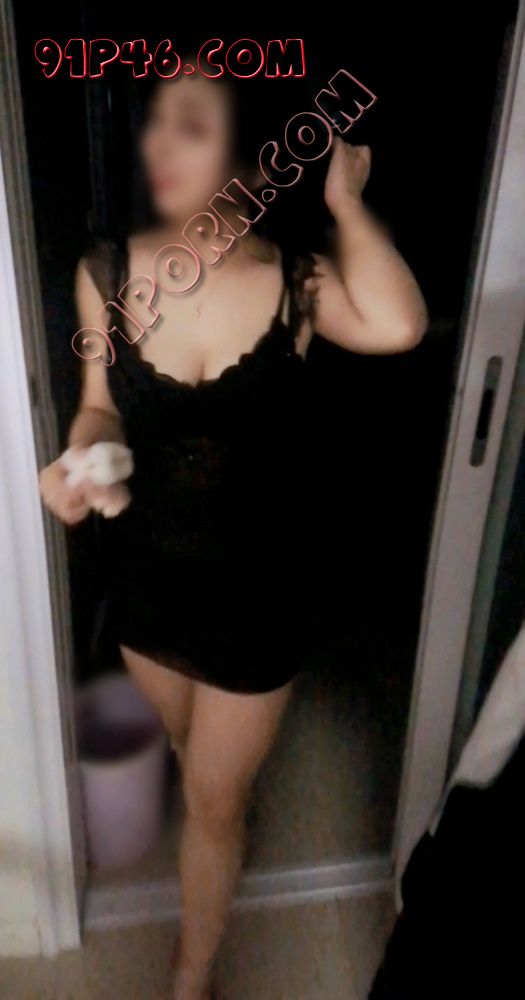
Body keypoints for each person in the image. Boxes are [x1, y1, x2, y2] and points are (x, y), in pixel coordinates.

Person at [39, 67, 428, 1000]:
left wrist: (346, 203)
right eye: (157, 125)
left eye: (192, 125)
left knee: (214, 804)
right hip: (147, 590)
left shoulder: (297, 284)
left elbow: (400, 326)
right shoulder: (106, 274)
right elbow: (98, 407)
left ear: (248, 162)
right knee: (193, 767)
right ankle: (213, 845)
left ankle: (190, 978)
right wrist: (79, 463)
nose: (160, 145)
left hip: (258, 597)